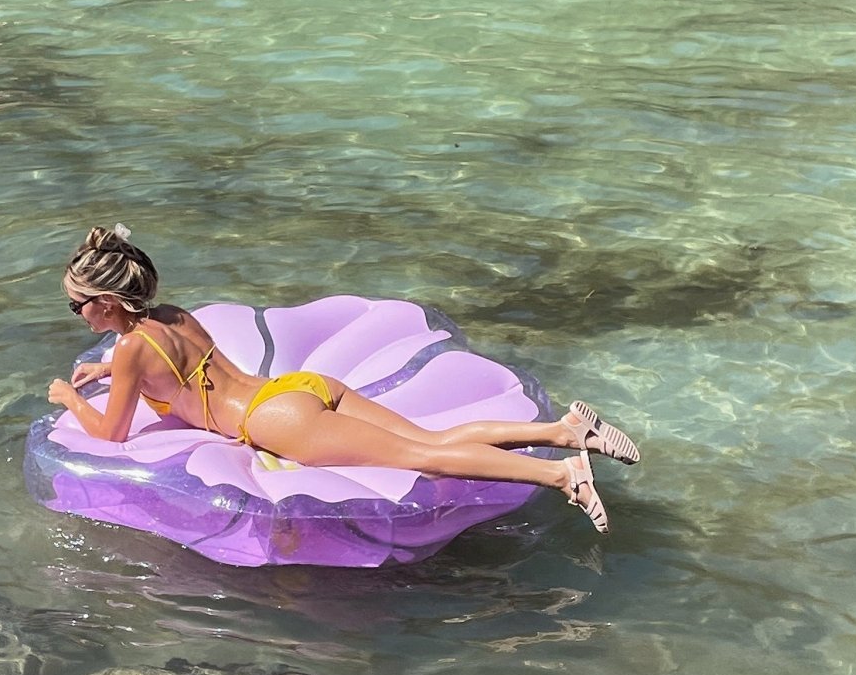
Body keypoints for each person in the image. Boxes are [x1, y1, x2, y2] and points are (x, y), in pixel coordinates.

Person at [47, 224, 641, 533]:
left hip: (274, 421)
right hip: (298, 388)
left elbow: (112, 434)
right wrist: (108, 365)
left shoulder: (131, 349)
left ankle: (561, 475)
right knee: (430, 440)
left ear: (106, 303)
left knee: (426, 459)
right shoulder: (173, 316)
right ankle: (563, 431)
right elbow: (174, 364)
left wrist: (71, 396)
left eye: (78, 305)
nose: (77, 315)